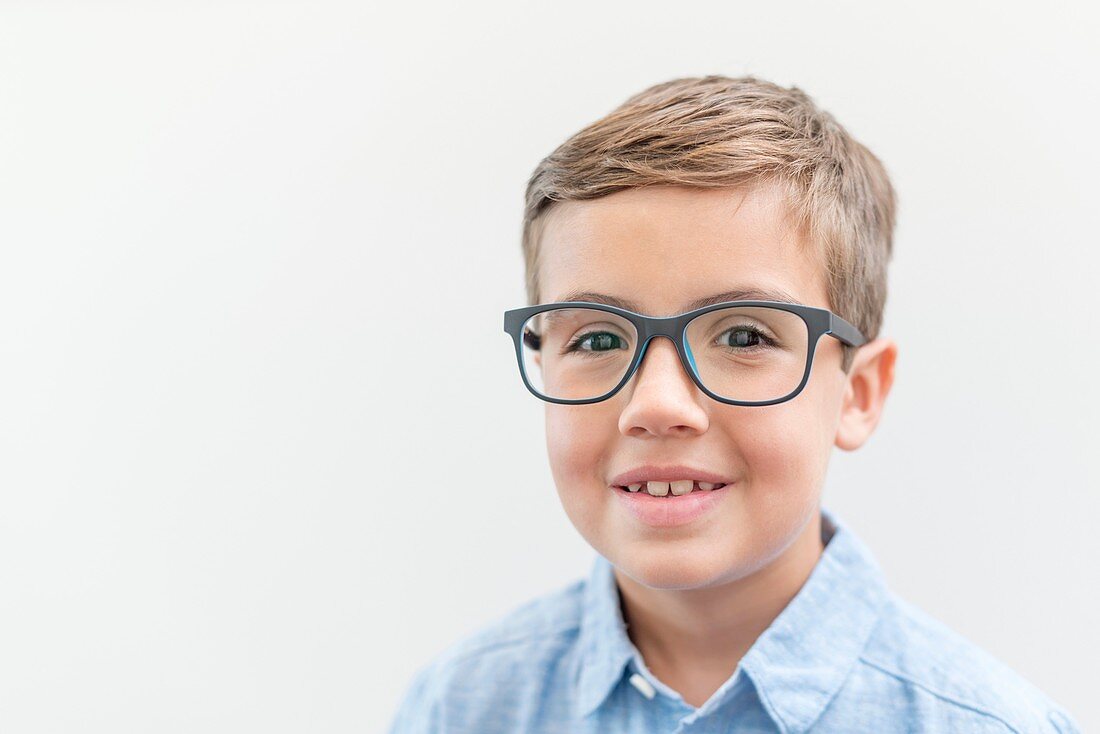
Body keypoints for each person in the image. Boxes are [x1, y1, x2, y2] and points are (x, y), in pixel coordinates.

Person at [385, 74, 1081, 733]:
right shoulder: (460, 708)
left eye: (744, 334)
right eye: (598, 337)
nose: (656, 405)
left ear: (858, 393)